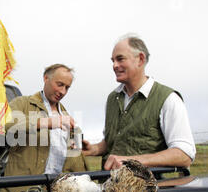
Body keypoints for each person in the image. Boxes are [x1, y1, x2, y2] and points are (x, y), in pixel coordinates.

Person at [83, 34, 196, 170]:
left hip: (150, 189)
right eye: (112, 60)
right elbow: (114, 141)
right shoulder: (112, 98)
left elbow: (184, 154)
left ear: (140, 59)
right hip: (110, 186)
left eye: (120, 59)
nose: (114, 65)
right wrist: (94, 149)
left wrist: (131, 161)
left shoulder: (168, 99)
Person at [0, 64, 86, 192]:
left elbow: (76, 162)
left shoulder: (67, 118)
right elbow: (5, 123)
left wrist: (80, 146)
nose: (63, 91)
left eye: (67, 87)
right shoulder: (23, 103)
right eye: (60, 84)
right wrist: (47, 122)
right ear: (46, 78)